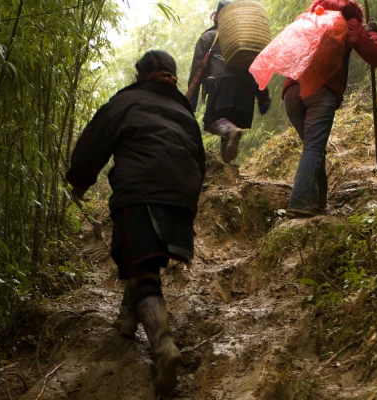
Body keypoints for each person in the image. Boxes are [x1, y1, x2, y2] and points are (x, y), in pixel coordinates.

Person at [66, 50, 205, 397]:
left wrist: (78, 182)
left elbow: (92, 144)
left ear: (142, 74)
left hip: (141, 191)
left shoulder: (125, 101)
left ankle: (164, 346)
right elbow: (199, 160)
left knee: (143, 271)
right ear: (171, 75)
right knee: (141, 257)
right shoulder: (184, 112)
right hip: (182, 198)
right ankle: (128, 321)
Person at [283, 0, 377, 218]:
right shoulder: (349, 23)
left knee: (314, 147)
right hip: (321, 91)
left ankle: (318, 202)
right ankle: (301, 202)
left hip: (291, 92)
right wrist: (373, 33)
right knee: (313, 147)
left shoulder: (310, 19)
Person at [188, 0, 271, 164]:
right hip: (247, 88)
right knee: (228, 126)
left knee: (212, 122)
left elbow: (198, 69)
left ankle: (230, 134)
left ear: (218, 16)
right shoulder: (246, 41)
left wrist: (192, 98)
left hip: (220, 84)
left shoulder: (209, 37)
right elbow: (257, 65)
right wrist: (263, 97)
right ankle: (227, 167)